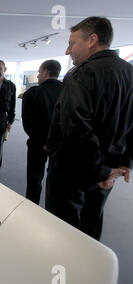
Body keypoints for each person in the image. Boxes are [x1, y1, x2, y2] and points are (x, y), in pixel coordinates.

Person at [45, 16, 133, 240]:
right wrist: (122, 164)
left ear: (92, 40)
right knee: (91, 229)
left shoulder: (82, 74)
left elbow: (76, 128)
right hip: (107, 173)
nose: (67, 51)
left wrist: (100, 171)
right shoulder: (129, 74)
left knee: (64, 233)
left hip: (74, 172)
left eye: (72, 43)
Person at [22, 60, 63, 204]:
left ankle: (32, 207)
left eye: (39, 72)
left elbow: (27, 123)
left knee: (34, 179)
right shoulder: (68, 91)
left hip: (37, 144)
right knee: (57, 183)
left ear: (45, 72)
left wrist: (42, 141)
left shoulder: (33, 93)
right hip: (60, 146)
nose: (38, 75)